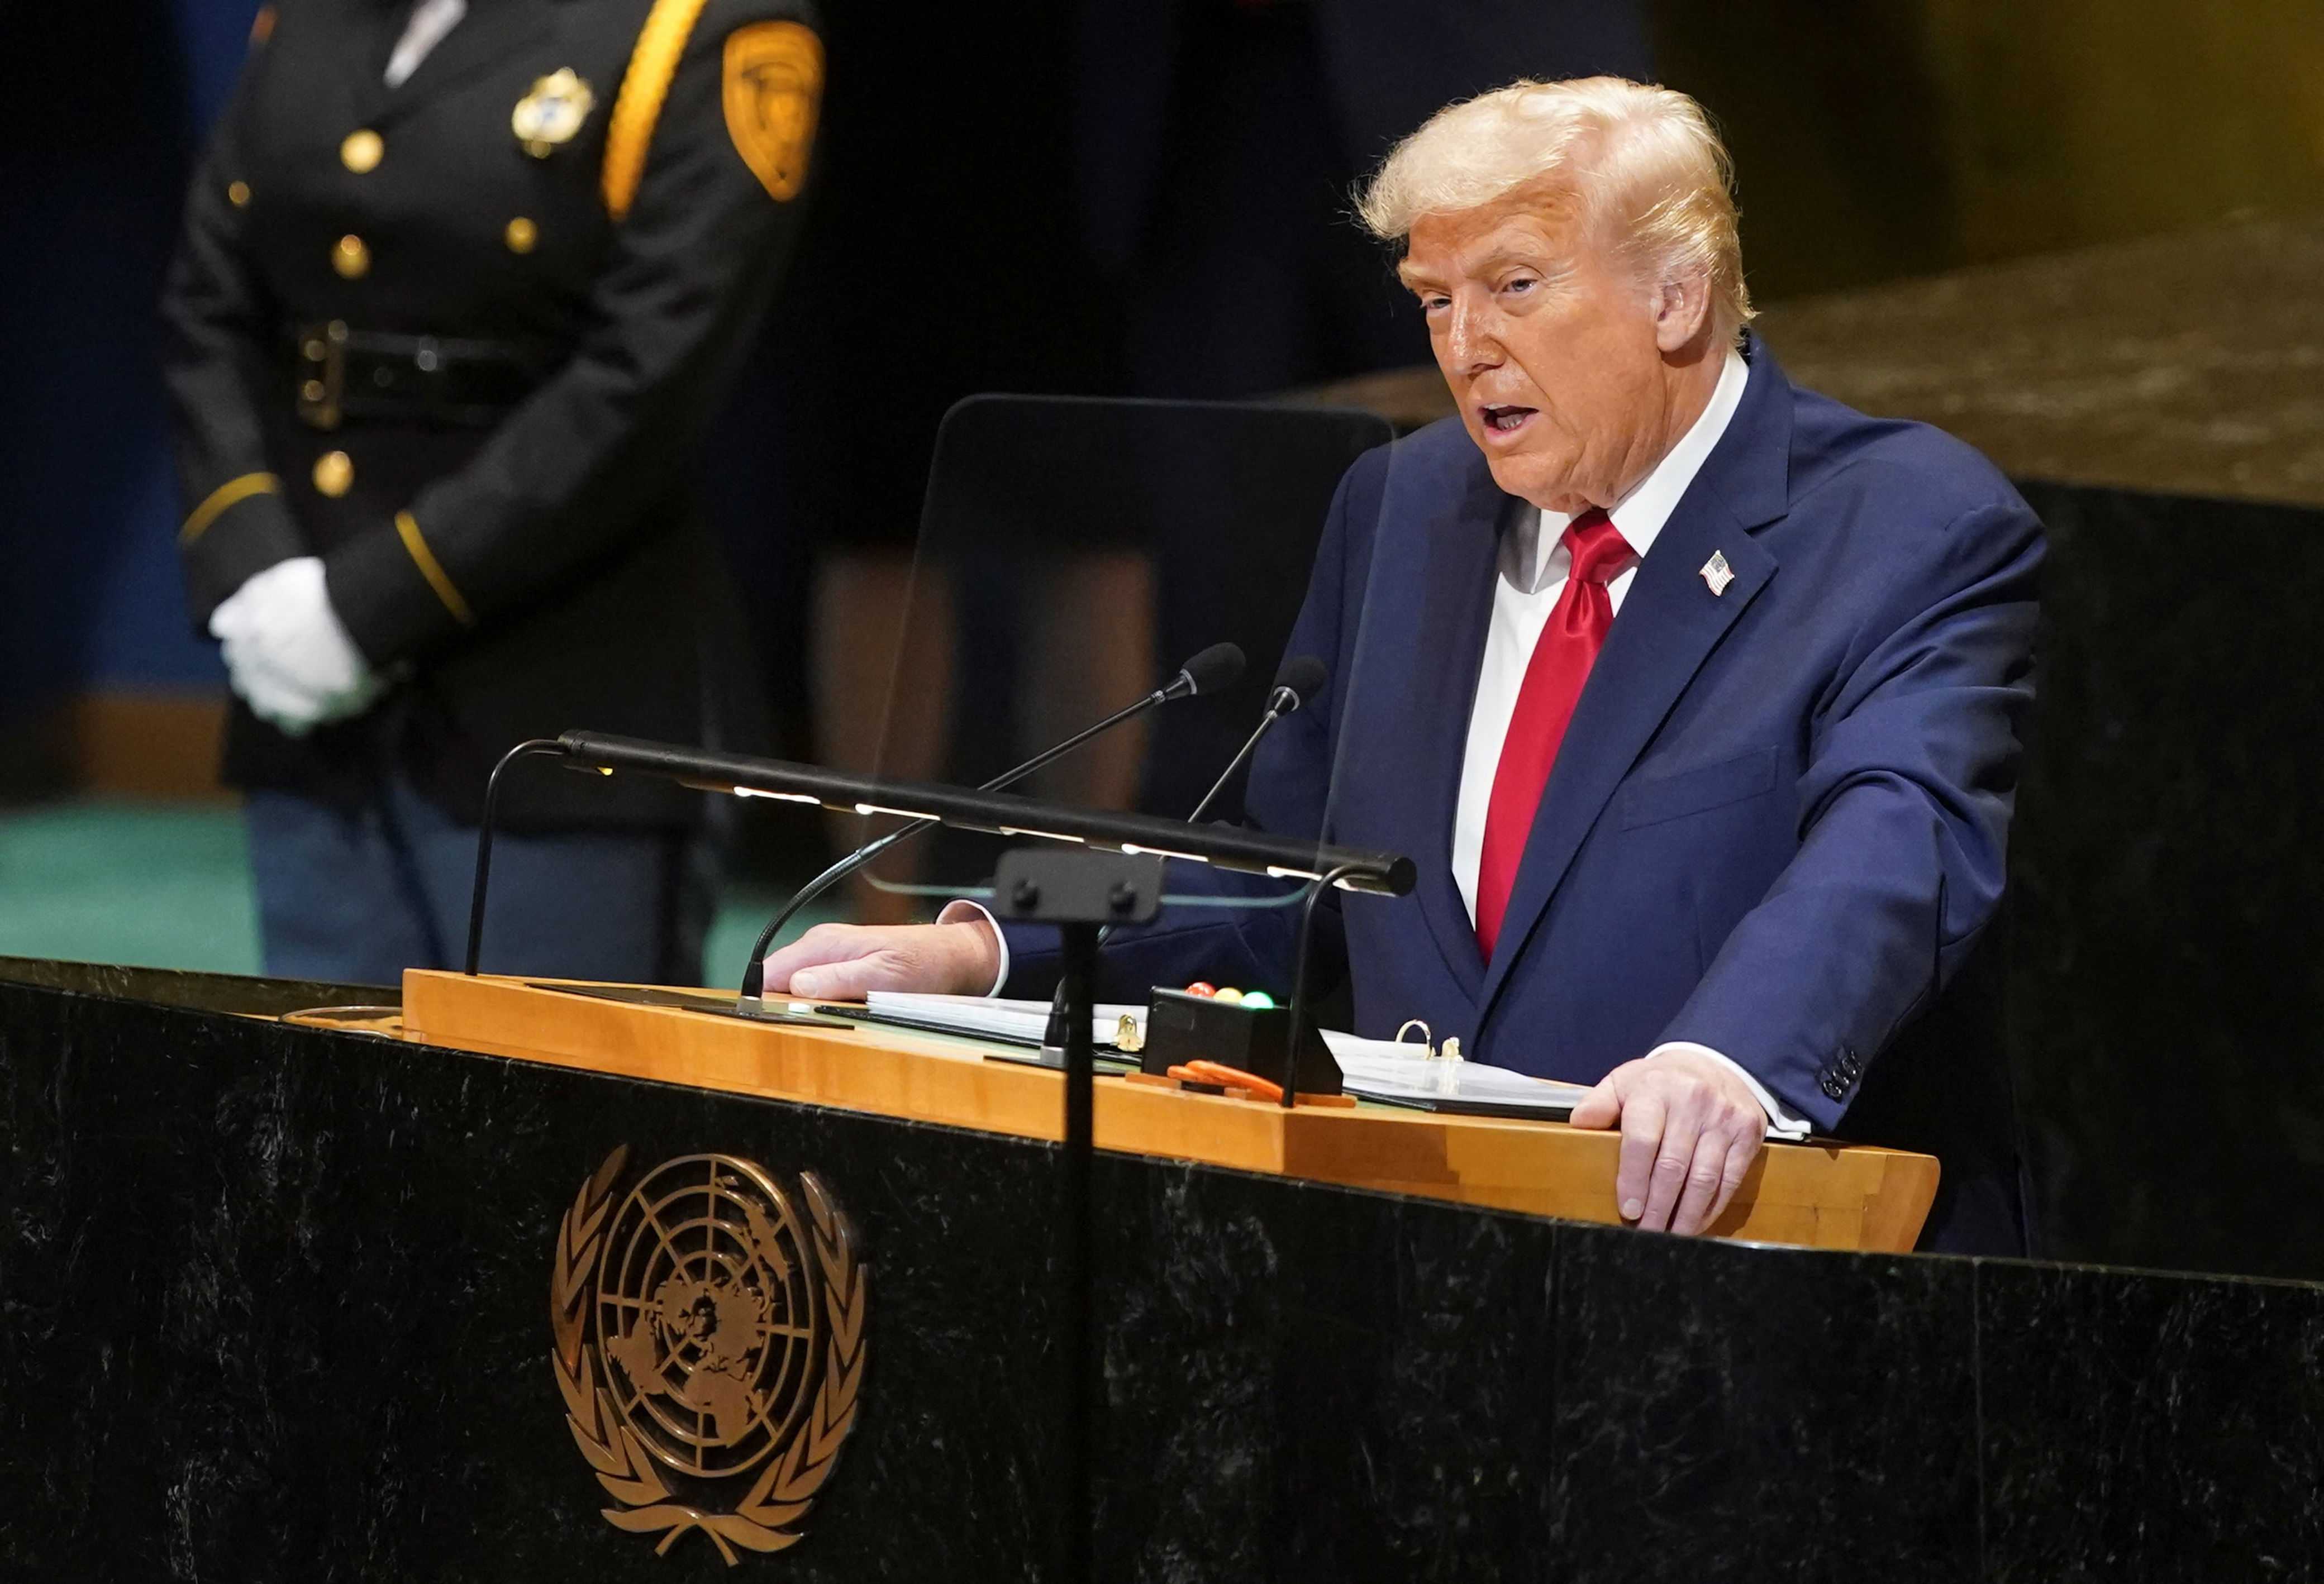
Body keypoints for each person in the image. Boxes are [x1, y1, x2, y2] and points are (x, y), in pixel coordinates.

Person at [761, 78, 2043, 1255]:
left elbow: (1898, 837)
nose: (1465, 344)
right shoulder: (1406, 505)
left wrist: (1727, 1062)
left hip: (1755, 1278)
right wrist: (985, 941)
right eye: (1436, 298)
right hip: (1410, 1284)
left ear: (1676, 292)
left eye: (1516, 287)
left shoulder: (1898, 523)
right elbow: (1285, 878)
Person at [164, 0, 821, 984]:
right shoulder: (312, 15)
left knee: (563, 1120)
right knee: (319, 1113)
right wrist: (253, 567)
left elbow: (643, 386)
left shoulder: (705, 28)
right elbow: (210, 304)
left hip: (558, 691)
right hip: (300, 678)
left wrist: (367, 607)